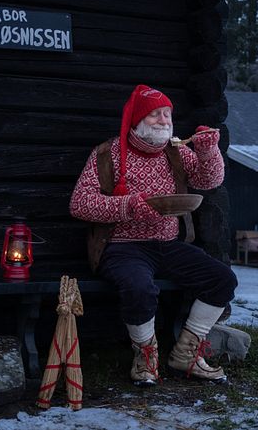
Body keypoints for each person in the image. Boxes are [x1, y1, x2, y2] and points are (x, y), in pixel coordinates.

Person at [69, 84, 237, 386]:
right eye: (155, 115)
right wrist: (130, 205)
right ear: (136, 120)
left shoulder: (176, 152)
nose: (164, 121)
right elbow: (80, 204)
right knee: (139, 287)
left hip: (168, 244)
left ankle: (186, 353)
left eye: (167, 115)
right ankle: (145, 356)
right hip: (121, 247)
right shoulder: (107, 154)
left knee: (222, 279)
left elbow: (207, 181)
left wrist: (208, 150)